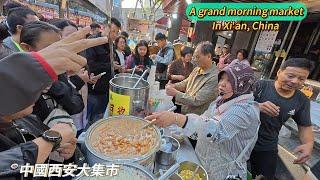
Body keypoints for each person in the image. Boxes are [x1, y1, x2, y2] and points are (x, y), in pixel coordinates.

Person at [0, 27, 109, 178]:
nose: (38, 87)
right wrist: (50, 141)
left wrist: (64, 153)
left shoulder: (27, 119)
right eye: (19, 79)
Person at [146, 63, 260, 179]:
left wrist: (177, 118)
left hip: (224, 173)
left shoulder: (245, 110)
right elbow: (204, 120)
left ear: (242, 84)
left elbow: (215, 131)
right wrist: (179, 124)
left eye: (229, 80)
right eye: (221, 78)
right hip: (204, 163)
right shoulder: (222, 100)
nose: (222, 84)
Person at [249, 58, 314, 179]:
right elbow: (234, 104)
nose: (295, 81)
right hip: (241, 140)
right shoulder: (260, 86)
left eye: (301, 79)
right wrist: (257, 106)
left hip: (267, 146)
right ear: (279, 72)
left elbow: (305, 126)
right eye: (290, 76)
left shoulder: (302, 100)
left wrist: (308, 144)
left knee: (265, 177)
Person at [19, 21, 84, 126]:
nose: (58, 53)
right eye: (50, 48)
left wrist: (53, 86)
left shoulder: (58, 69)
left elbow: (77, 104)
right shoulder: (17, 81)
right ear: (27, 48)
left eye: (59, 47)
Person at [165, 41, 218, 115]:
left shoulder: (214, 78)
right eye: (194, 56)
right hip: (186, 111)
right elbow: (186, 82)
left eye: (197, 57)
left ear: (209, 56)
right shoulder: (197, 69)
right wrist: (174, 86)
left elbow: (197, 100)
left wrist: (176, 93)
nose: (195, 60)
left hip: (197, 118)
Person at [85, 17, 121, 124]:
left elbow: (112, 61)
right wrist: (109, 65)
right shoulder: (93, 41)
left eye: (116, 32)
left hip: (107, 88)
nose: (114, 35)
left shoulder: (111, 44)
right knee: (93, 118)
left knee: (103, 116)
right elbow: (90, 65)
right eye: (112, 31)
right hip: (95, 88)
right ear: (104, 28)